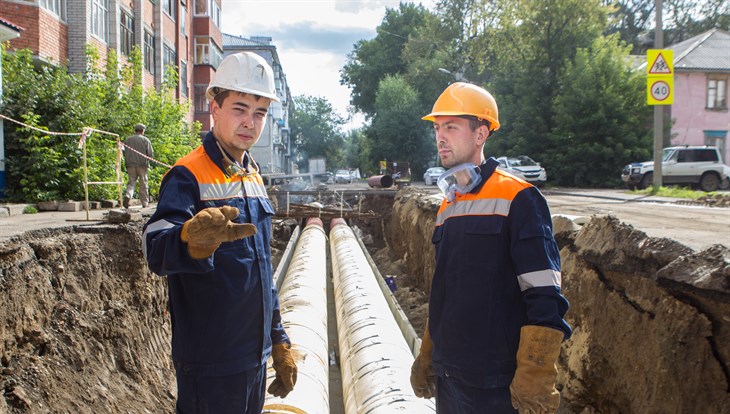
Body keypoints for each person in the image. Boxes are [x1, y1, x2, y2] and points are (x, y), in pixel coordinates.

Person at [142, 52, 297, 413]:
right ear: (214, 107)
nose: (250, 123)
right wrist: (189, 241)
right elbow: (155, 249)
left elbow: (262, 270)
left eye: (259, 113)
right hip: (211, 362)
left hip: (253, 357)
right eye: (239, 109)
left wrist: (278, 339)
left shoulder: (252, 176)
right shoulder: (187, 175)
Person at [410, 82, 572, 413]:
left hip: (495, 384)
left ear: (481, 133)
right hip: (449, 376)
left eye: (451, 127)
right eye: (438, 128)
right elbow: (445, 290)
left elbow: (544, 294)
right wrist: (429, 352)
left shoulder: (519, 198)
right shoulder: (448, 206)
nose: (440, 137)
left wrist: (535, 374)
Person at [123, 123, 154, 208]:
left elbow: (123, 151)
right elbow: (150, 154)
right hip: (142, 165)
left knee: (131, 182)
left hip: (130, 165)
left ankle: (128, 195)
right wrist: (149, 160)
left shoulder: (128, 140)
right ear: (142, 131)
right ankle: (144, 203)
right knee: (143, 183)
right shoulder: (145, 140)